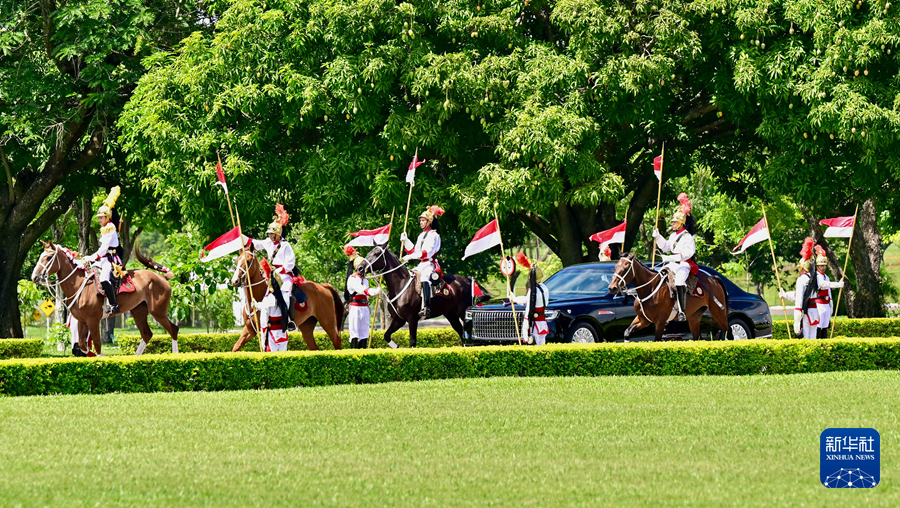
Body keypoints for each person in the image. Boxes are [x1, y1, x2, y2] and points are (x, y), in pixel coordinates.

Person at [251, 204, 296, 333]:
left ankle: (288, 321)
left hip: (284, 275)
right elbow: (256, 243)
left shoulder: (285, 245)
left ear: (278, 234)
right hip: (271, 274)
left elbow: (290, 264)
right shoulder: (267, 242)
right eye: (269, 234)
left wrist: (279, 270)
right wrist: (242, 238)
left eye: (272, 234)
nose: (270, 236)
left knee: (285, 293)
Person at [652, 193, 697, 321]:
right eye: (672, 222)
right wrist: (658, 236)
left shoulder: (687, 237)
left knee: (679, 282)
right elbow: (666, 247)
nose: (672, 223)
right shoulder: (673, 236)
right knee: (657, 275)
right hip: (672, 264)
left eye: (674, 222)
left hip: (683, 265)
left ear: (681, 223)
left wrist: (671, 258)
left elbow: (688, 254)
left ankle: (682, 311)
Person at [400, 205, 444, 317]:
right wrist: (406, 241)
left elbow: (426, 252)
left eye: (423, 220)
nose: (420, 222)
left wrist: (409, 257)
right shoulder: (421, 235)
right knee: (408, 276)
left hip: (429, 264)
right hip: (421, 264)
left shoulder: (434, 235)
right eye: (420, 220)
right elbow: (415, 251)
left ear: (429, 221)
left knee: (425, 278)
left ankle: (426, 307)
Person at [88, 186, 123, 314]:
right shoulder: (105, 227)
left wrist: (90, 257)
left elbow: (103, 250)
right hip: (104, 258)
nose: (99, 220)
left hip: (110, 259)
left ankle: (114, 305)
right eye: (98, 218)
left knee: (103, 278)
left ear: (107, 217)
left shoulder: (110, 228)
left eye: (101, 218)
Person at [780, 238, 819, 339]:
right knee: (814, 340)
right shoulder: (816, 278)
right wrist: (785, 295)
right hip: (815, 313)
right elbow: (797, 295)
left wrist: (796, 321)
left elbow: (799, 301)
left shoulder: (801, 279)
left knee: (805, 341)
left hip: (805, 314)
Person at [343, 246, 382, 349]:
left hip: (364, 307)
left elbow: (366, 293)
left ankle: (364, 353)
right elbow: (361, 289)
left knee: (364, 332)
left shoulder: (366, 280)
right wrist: (374, 291)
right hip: (355, 307)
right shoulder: (352, 279)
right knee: (355, 332)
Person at [509, 252, 550, 345]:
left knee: (533, 344)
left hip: (534, 322)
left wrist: (514, 299)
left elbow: (526, 302)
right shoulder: (545, 288)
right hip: (542, 321)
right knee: (542, 344)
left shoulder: (533, 291)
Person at [813, 245, 844, 338]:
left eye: (824, 265)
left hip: (826, 303)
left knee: (825, 325)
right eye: (821, 265)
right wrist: (837, 284)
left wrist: (831, 304)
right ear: (817, 266)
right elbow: (824, 284)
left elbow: (829, 291)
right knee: (819, 325)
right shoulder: (816, 276)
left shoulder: (826, 276)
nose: (823, 267)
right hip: (819, 303)